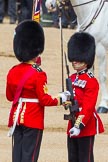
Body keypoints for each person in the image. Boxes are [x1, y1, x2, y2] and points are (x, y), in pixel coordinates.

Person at [6, 20, 70, 162]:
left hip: (16, 118)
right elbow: (44, 100)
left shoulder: (13, 71)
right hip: (33, 119)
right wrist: (62, 98)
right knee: (30, 157)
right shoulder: (38, 73)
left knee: (17, 156)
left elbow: (10, 97)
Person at [66, 32, 104, 162]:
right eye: (74, 59)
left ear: (86, 60)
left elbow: (88, 106)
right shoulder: (71, 78)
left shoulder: (91, 81)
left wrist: (78, 126)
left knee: (84, 158)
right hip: (72, 120)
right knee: (72, 157)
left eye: (78, 58)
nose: (74, 61)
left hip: (85, 125)